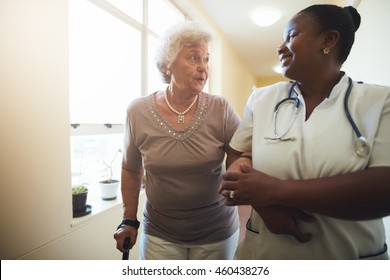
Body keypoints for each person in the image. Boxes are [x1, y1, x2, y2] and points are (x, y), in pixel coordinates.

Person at [219, 4, 390, 259]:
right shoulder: (263, 99)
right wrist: (265, 209)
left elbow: (383, 190)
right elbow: (235, 154)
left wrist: (275, 191)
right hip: (267, 251)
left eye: (291, 35)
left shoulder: (380, 102)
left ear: (329, 40)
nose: (280, 46)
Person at [114, 21, 241, 260]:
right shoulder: (137, 111)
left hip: (216, 231)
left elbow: (241, 152)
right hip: (160, 232)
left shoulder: (220, 108)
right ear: (167, 65)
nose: (203, 67)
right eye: (194, 58)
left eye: (206, 59)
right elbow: (131, 168)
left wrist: (236, 177)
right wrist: (128, 219)